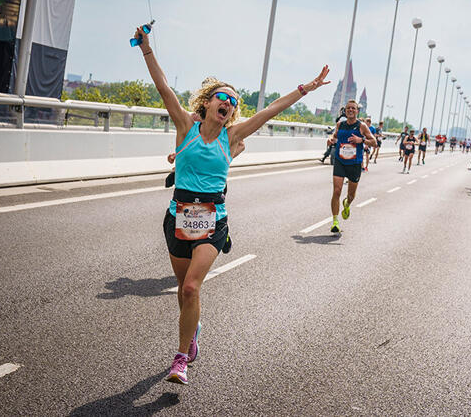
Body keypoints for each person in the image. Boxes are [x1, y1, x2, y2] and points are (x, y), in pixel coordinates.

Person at [134, 26, 329, 385]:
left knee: (192, 287)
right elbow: (163, 87)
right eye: (223, 97)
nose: (229, 104)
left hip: (213, 219)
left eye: (234, 102)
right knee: (183, 291)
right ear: (208, 102)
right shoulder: (184, 126)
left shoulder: (233, 136)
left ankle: (180, 360)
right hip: (178, 216)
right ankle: (192, 333)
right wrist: (147, 49)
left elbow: (271, 109)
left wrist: (307, 88)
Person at [328, 99, 377, 233]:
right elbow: (335, 136)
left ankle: (347, 204)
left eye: (353, 108)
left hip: (355, 164)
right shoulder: (340, 124)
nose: (350, 110)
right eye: (348, 108)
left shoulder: (362, 126)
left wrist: (361, 140)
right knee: (336, 191)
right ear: (345, 110)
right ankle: (335, 222)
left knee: (351, 195)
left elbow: (374, 142)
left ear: (357, 111)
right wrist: (331, 139)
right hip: (340, 161)